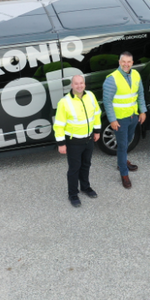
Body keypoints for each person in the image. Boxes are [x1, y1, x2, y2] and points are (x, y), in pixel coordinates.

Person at [53, 74, 101, 208]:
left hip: (89, 138)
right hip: (74, 142)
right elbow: (59, 125)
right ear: (72, 85)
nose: (79, 86)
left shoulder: (90, 96)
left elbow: (96, 114)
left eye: (81, 83)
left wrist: (97, 131)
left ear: (84, 84)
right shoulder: (64, 102)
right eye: (76, 83)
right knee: (74, 168)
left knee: (86, 164)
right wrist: (61, 144)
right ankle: (73, 194)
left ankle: (85, 187)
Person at [102, 51, 146, 189]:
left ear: (132, 63)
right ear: (119, 62)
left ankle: (122, 161)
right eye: (123, 61)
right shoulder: (111, 79)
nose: (126, 64)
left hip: (133, 116)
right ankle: (124, 173)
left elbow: (140, 94)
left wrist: (143, 110)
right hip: (120, 119)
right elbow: (107, 102)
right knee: (122, 145)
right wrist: (112, 120)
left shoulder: (136, 74)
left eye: (129, 62)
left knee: (128, 141)